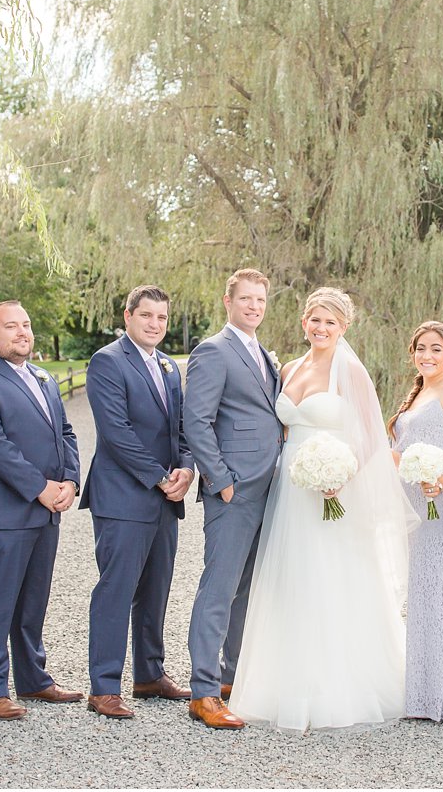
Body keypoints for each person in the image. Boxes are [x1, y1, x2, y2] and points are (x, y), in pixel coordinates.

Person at [228, 287, 419, 731]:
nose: (321, 328)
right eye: (315, 319)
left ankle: (336, 690)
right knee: (289, 579)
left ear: (344, 327)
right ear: (303, 322)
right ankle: (284, 684)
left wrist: (340, 478)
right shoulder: (289, 368)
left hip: (334, 490)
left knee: (332, 578)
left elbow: (373, 437)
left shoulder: (350, 370)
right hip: (289, 490)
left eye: (330, 322)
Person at [0, 300, 83, 720]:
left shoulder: (43, 378)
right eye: (11, 326)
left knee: (33, 600)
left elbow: (65, 431)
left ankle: (33, 679)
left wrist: (70, 481)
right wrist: (40, 487)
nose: (22, 332)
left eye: (26, 324)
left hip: (46, 509)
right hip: (0, 512)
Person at [81, 285, 196, 719]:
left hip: (165, 498)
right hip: (124, 497)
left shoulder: (168, 367)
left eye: (162, 318)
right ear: (127, 316)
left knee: (155, 589)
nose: (155, 324)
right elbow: (116, 432)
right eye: (146, 316)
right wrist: (160, 476)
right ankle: (104, 686)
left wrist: (186, 468)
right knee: (116, 590)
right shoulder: (108, 362)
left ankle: (149, 674)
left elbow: (180, 428)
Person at [183, 268, 285, 729]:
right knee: (219, 589)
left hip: (270, 488)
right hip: (234, 488)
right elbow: (197, 420)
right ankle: (203, 693)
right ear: (228, 301)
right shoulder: (213, 351)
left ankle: (231, 679)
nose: (254, 307)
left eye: (260, 300)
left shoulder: (265, 355)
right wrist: (220, 479)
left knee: (246, 590)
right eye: (246, 299)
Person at [387, 321, 443, 721]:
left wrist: (439, 483)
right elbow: (398, 452)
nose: (427, 355)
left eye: (436, 349)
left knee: (434, 595)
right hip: (408, 503)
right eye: (421, 348)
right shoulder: (417, 395)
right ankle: (442, 683)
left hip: (438, 505)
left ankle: (440, 696)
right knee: (420, 596)